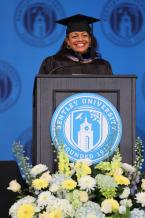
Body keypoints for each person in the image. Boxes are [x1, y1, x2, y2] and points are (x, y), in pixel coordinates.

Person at [38, 14, 112, 75]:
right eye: (74, 36)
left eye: (84, 35)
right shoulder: (53, 64)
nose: (80, 39)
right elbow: (42, 91)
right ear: (68, 41)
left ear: (90, 40)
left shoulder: (103, 66)